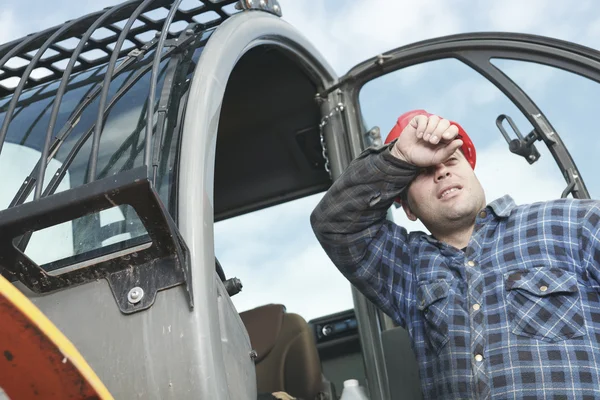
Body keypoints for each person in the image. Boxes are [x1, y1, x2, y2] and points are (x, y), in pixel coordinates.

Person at [310, 109, 600, 400]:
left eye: (450, 160)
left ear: (472, 173)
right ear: (408, 209)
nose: (442, 171)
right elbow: (334, 224)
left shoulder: (573, 224)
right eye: (423, 171)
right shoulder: (407, 270)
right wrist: (399, 157)